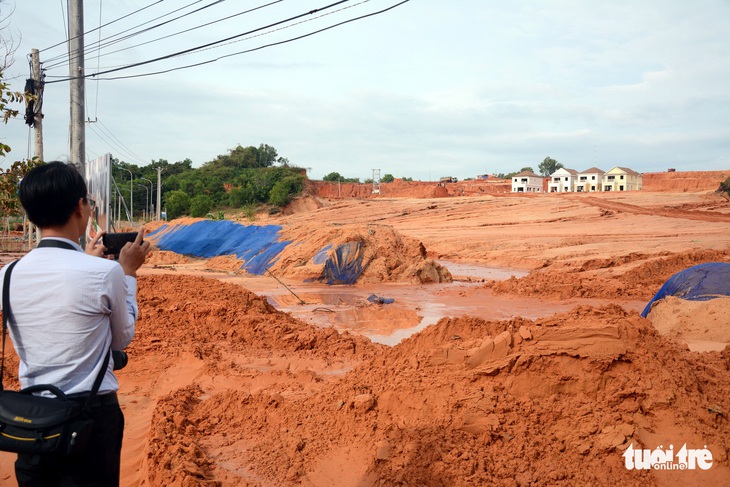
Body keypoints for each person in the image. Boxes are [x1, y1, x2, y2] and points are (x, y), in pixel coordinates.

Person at [0, 161, 150, 486]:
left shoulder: (7, 275)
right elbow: (121, 339)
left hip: (32, 418)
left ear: (30, 214)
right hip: (91, 419)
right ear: (80, 207)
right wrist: (127, 273)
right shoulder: (104, 273)